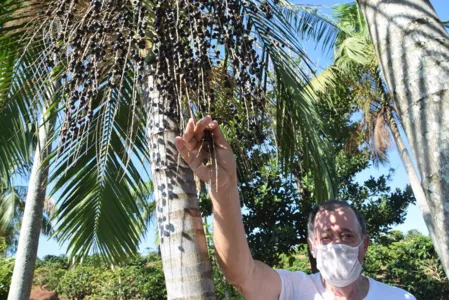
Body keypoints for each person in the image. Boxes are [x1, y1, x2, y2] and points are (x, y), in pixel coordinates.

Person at [175, 115, 416, 300]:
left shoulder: (400, 298)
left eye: (347, 236)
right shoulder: (296, 289)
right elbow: (242, 274)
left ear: (364, 245)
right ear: (312, 247)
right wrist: (223, 189)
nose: (336, 244)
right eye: (326, 237)